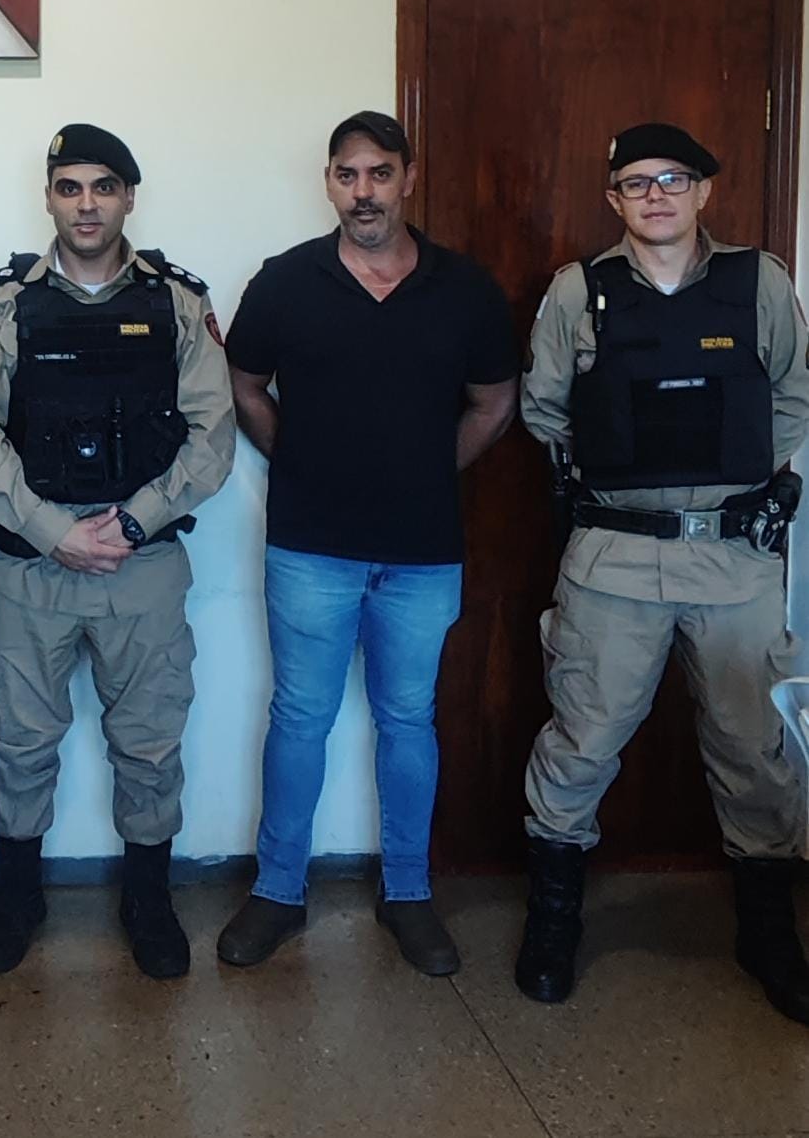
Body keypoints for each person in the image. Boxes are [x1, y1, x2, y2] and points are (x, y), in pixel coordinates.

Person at [516, 122, 809, 1024]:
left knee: (755, 747)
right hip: (615, 556)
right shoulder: (580, 291)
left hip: (734, 557)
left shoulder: (760, 283)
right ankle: (553, 918)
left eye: (673, 179)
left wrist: (739, 470)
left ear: (703, 192)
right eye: (637, 183)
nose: (656, 196)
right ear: (614, 199)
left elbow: (795, 392)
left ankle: (768, 932)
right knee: (583, 739)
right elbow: (544, 408)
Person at [216, 110, 517, 977]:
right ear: (329, 183)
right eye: (347, 175)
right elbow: (244, 382)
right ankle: (278, 890)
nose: (363, 192)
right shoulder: (285, 281)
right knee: (299, 719)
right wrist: (299, 458)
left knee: (408, 720)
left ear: (408, 179)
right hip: (310, 547)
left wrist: (425, 471)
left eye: (380, 173)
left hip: (423, 552)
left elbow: (495, 401)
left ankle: (409, 892)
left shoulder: (464, 288)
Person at [0, 124, 235, 980]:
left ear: (128, 197)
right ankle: (17, 896)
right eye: (70, 187)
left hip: (140, 565)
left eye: (103, 187)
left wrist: (134, 523)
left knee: (150, 741)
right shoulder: (0, 303)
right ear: (48, 196)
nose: (86, 204)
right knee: (20, 738)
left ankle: (148, 899)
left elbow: (213, 437)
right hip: (31, 566)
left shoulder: (178, 302)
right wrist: (55, 532)